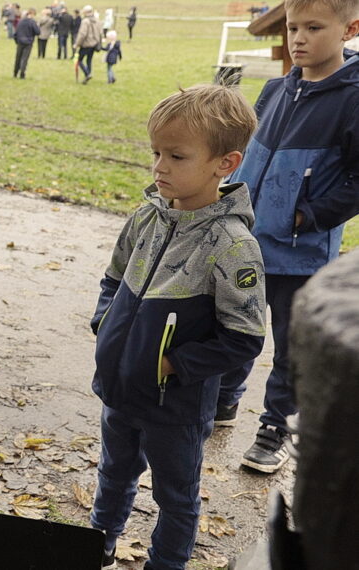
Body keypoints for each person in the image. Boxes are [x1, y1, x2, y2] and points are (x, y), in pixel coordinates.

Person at [89, 84, 265, 570]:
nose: (160, 167)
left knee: (177, 496)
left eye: (177, 156)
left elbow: (245, 337)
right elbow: (113, 277)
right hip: (121, 390)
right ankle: (95, 545)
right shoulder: (146, 218)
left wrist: (174, 363)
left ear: (224, 163)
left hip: (176, 406)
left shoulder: (232, 247)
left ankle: (164, 563)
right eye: (156, 153)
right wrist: (105, 325)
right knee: (114, 472)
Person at [216, 0, 359, 475]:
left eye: (314, 27)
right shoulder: (276, 88)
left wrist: (309, 215)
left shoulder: (353, 98)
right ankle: (225, 398)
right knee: (237, 325)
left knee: (290, 345)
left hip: (300, 253)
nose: (299, 37)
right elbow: (245, 153)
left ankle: (276, 425)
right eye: (294, 27)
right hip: (246, 243)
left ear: (349, 29)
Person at [74, 4, 101, 82]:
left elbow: (82, 34)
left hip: (86, 44)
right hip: (94, 44)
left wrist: (77, 44)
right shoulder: (97, 20)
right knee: (89, 60)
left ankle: (87, 74)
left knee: (79, 60)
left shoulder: (85, 21)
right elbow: (100, 32)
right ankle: (88, 75)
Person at [12, 8, 39, 78]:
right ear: (32, 14)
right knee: (24, 58)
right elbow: (37, 32)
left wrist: (16, 40)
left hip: (20, 41)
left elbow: (16, 32)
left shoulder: (20, 21)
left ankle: (15, 73)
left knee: (18, 57)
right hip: (28, 42)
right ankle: (22, 73)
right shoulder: (32, 22)